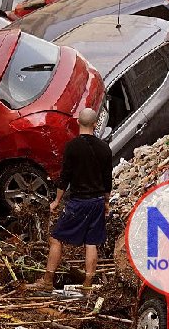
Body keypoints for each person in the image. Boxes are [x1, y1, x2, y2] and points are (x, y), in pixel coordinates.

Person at [32, 107, 112, 293]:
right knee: (91, 243)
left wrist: (56, 201)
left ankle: (47, 281)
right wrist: (106, 202)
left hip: (78, 202)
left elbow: (64, 178)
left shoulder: (72, 147)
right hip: (97, 202)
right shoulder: (104, 149)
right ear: (95, 124)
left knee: (56, 238)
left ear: (78, 122)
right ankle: (87, 285)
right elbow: (107, 180)